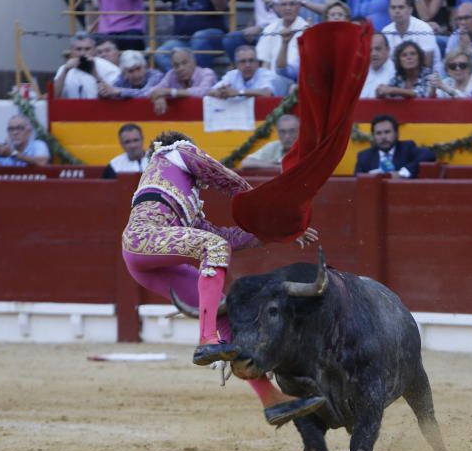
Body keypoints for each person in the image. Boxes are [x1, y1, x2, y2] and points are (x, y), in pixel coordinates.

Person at [121, 131, 324, 427]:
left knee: (224, 314)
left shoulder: (185, 198)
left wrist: (281, 232)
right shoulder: (176, 153)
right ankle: (206, 339)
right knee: (212, 248)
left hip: (145, 260)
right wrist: (274, 212)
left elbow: (226, 236)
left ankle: (272, 400)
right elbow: (230, 181)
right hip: (142, 239)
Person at [153, 0, 229, 70]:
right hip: (183, 40)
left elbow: (222, 7)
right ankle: (185, 79)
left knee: (199, 38)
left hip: (211, 37)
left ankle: (199, 78)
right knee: (160, 53)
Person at [219, 0, 297, 63]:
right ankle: (241, 72)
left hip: (279, 30)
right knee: (231, 40)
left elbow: (289, 15)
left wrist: (268, 1)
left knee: (266, 36)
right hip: (257, 31)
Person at [256, 0, 309, 86]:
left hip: (297, 82)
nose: (287, 8)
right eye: (284, 5)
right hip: (272, 82)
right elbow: (265, 64)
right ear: (278, 8)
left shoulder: (307, 30)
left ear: (298, 6)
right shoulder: (269, 30)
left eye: (291, 4)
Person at [354, 114, 435, 178]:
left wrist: (403, 173)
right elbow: (357, 182)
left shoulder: (406, 148)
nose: (383, 137)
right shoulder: (364, 156)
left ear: (396, 134)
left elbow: (429, 154)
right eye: (378, 133)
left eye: (387, 132)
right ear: (373, 136)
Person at [381, 0, 442, 72]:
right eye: (393, 7)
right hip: (397, 76)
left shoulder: (423, 29)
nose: (397, 11)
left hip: (429, 76)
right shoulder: (385, 31)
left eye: (401, 7)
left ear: (410, 10)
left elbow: (427, 65)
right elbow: (385, 62)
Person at [148, 48, 218, 115]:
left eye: (184, 63)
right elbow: (152, 91)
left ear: (194, 62)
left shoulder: (207, 73)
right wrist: (159, 97)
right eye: (176, 65)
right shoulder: (172, 74)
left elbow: (204, 91)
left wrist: (171, 92)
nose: (181, 68)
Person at [54, 31, 121, 99]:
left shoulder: (108, 68)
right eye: (78, 49)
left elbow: (118, 95)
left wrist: (95, 74)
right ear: (72, 51)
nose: (83, 53)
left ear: (94, 50)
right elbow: (54, 96)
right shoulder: (64, 69)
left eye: (87, 49)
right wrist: (65, 71)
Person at [207, 45, 280, 98]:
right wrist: (221, 92)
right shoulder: (231, 75)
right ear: (236, 65)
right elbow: (210, 92)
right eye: (243, 61)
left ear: (257, 63)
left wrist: (239, 92)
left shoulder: (267, 74)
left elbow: (267, 93)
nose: (248, 65)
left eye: (251, 60)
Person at [361, 32, 396, 98]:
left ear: (388, 50)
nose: (373, 54)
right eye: (370, 50)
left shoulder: (397, 72)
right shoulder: (360, 72)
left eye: (378, 49)